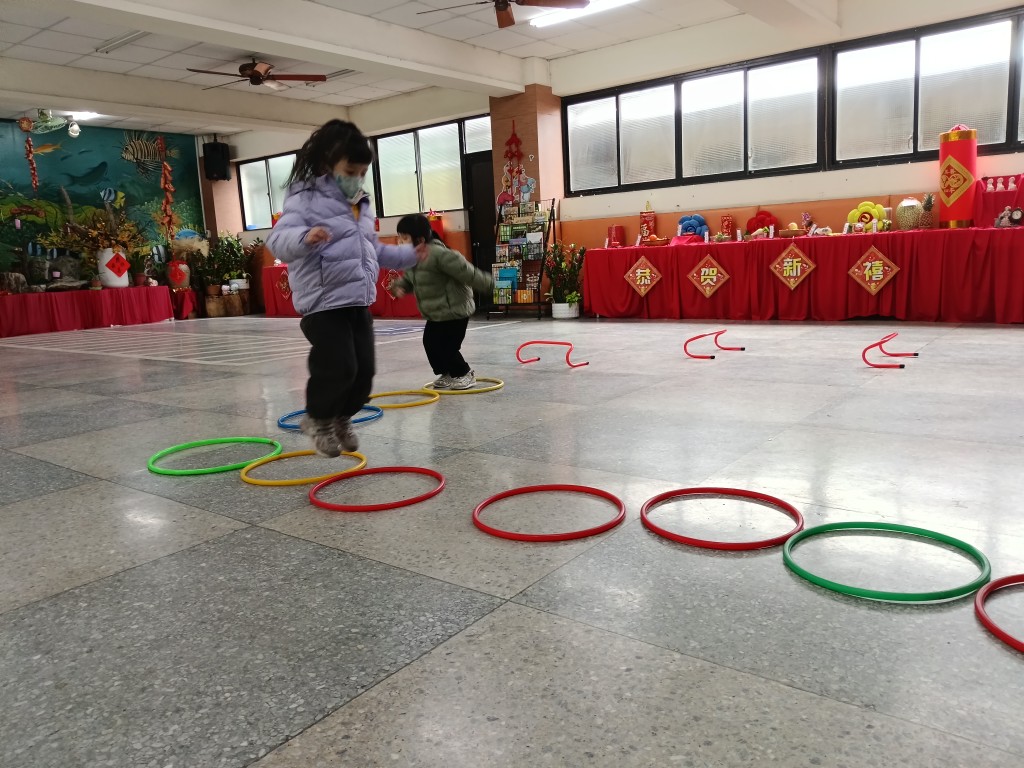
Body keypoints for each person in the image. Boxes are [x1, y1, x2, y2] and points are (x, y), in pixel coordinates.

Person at [266, 120, 426, 457]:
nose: (356, 178)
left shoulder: (360, 203)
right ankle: (318, 419)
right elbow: (278, 240)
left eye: (362, 172)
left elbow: (372, 249)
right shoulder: (305, 197)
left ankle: (341, 416)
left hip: (357, 299)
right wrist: (304, 237)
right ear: (328, 162)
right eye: (350, 171)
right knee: (339, 366)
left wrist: (410, 255)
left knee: (364, 371)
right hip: (323, 302)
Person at [390, 214, 494, 390]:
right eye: (399, 238)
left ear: (420, 239)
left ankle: (464, 373)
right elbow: (408, 280)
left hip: (455, 309)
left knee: (447, 346)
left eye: (405, 238)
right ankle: (447, 373)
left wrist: (490, 284)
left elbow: (468, 273)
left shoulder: (440, 255)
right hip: (436, 311)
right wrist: (399, 286)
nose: (400, 242)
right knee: (430, 343)